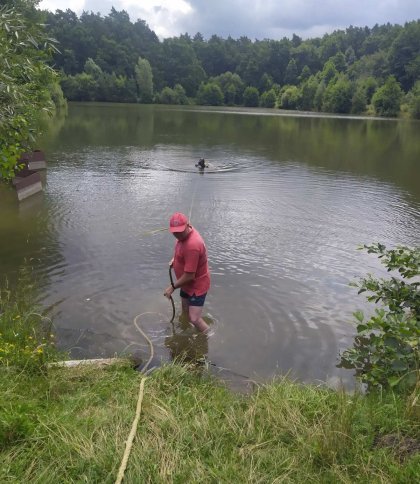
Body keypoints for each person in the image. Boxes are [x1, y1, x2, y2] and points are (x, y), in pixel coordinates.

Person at [164, 212, 210, 332]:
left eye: (180, 231)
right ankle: (185, 330)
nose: (177, 234)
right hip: (185, 284)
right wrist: (176, 259)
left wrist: (172, 287)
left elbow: (190, 276)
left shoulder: (193, 245)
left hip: (196, 286)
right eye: (175, 232)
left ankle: (209, 336)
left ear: (188, 225)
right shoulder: (186, 233)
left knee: (194, 318)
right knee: (185, 310)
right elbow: (182, 249)